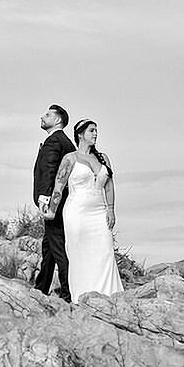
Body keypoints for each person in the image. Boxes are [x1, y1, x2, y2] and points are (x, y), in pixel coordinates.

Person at [50, 118, 123, 297]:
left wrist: (111, 209)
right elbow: (58, 187)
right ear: (80, 134)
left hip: (99, 213)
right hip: (77, 213)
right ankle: (82, 297)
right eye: (92, 130)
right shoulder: (70, 158)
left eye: (96, 130)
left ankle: (108, 295)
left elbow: (109, 185)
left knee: (105, 251)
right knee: (79, 255)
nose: (96, 134)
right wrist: (51, 211)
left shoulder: (103, 158)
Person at [30, 104, 76, 300]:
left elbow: (50, 171)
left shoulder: (54, 141)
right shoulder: (66, 142)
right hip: (62, 201)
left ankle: (67, 292)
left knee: (57, 247)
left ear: (57, 120)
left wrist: (44, 197)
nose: (42, 117)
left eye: (47, 115)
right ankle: (41, 287)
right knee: (49, 246)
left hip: (53, 202)